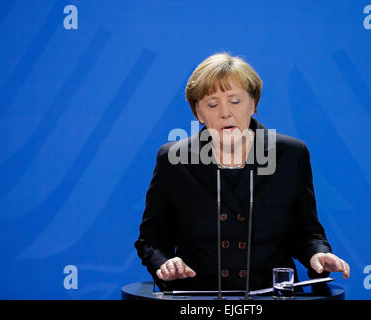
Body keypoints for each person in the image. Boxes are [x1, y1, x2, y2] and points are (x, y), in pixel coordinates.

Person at [134, 53, 350, 292]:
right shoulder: (174, 159)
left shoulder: (290, 155)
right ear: (199, 113)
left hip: (271, 295)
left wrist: (317, 255)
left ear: (253, 104)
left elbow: (307, 232)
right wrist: (166, 264)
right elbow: (151, 240)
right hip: (200, 299)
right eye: (212, 104)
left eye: (235, 101)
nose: (225, 113)